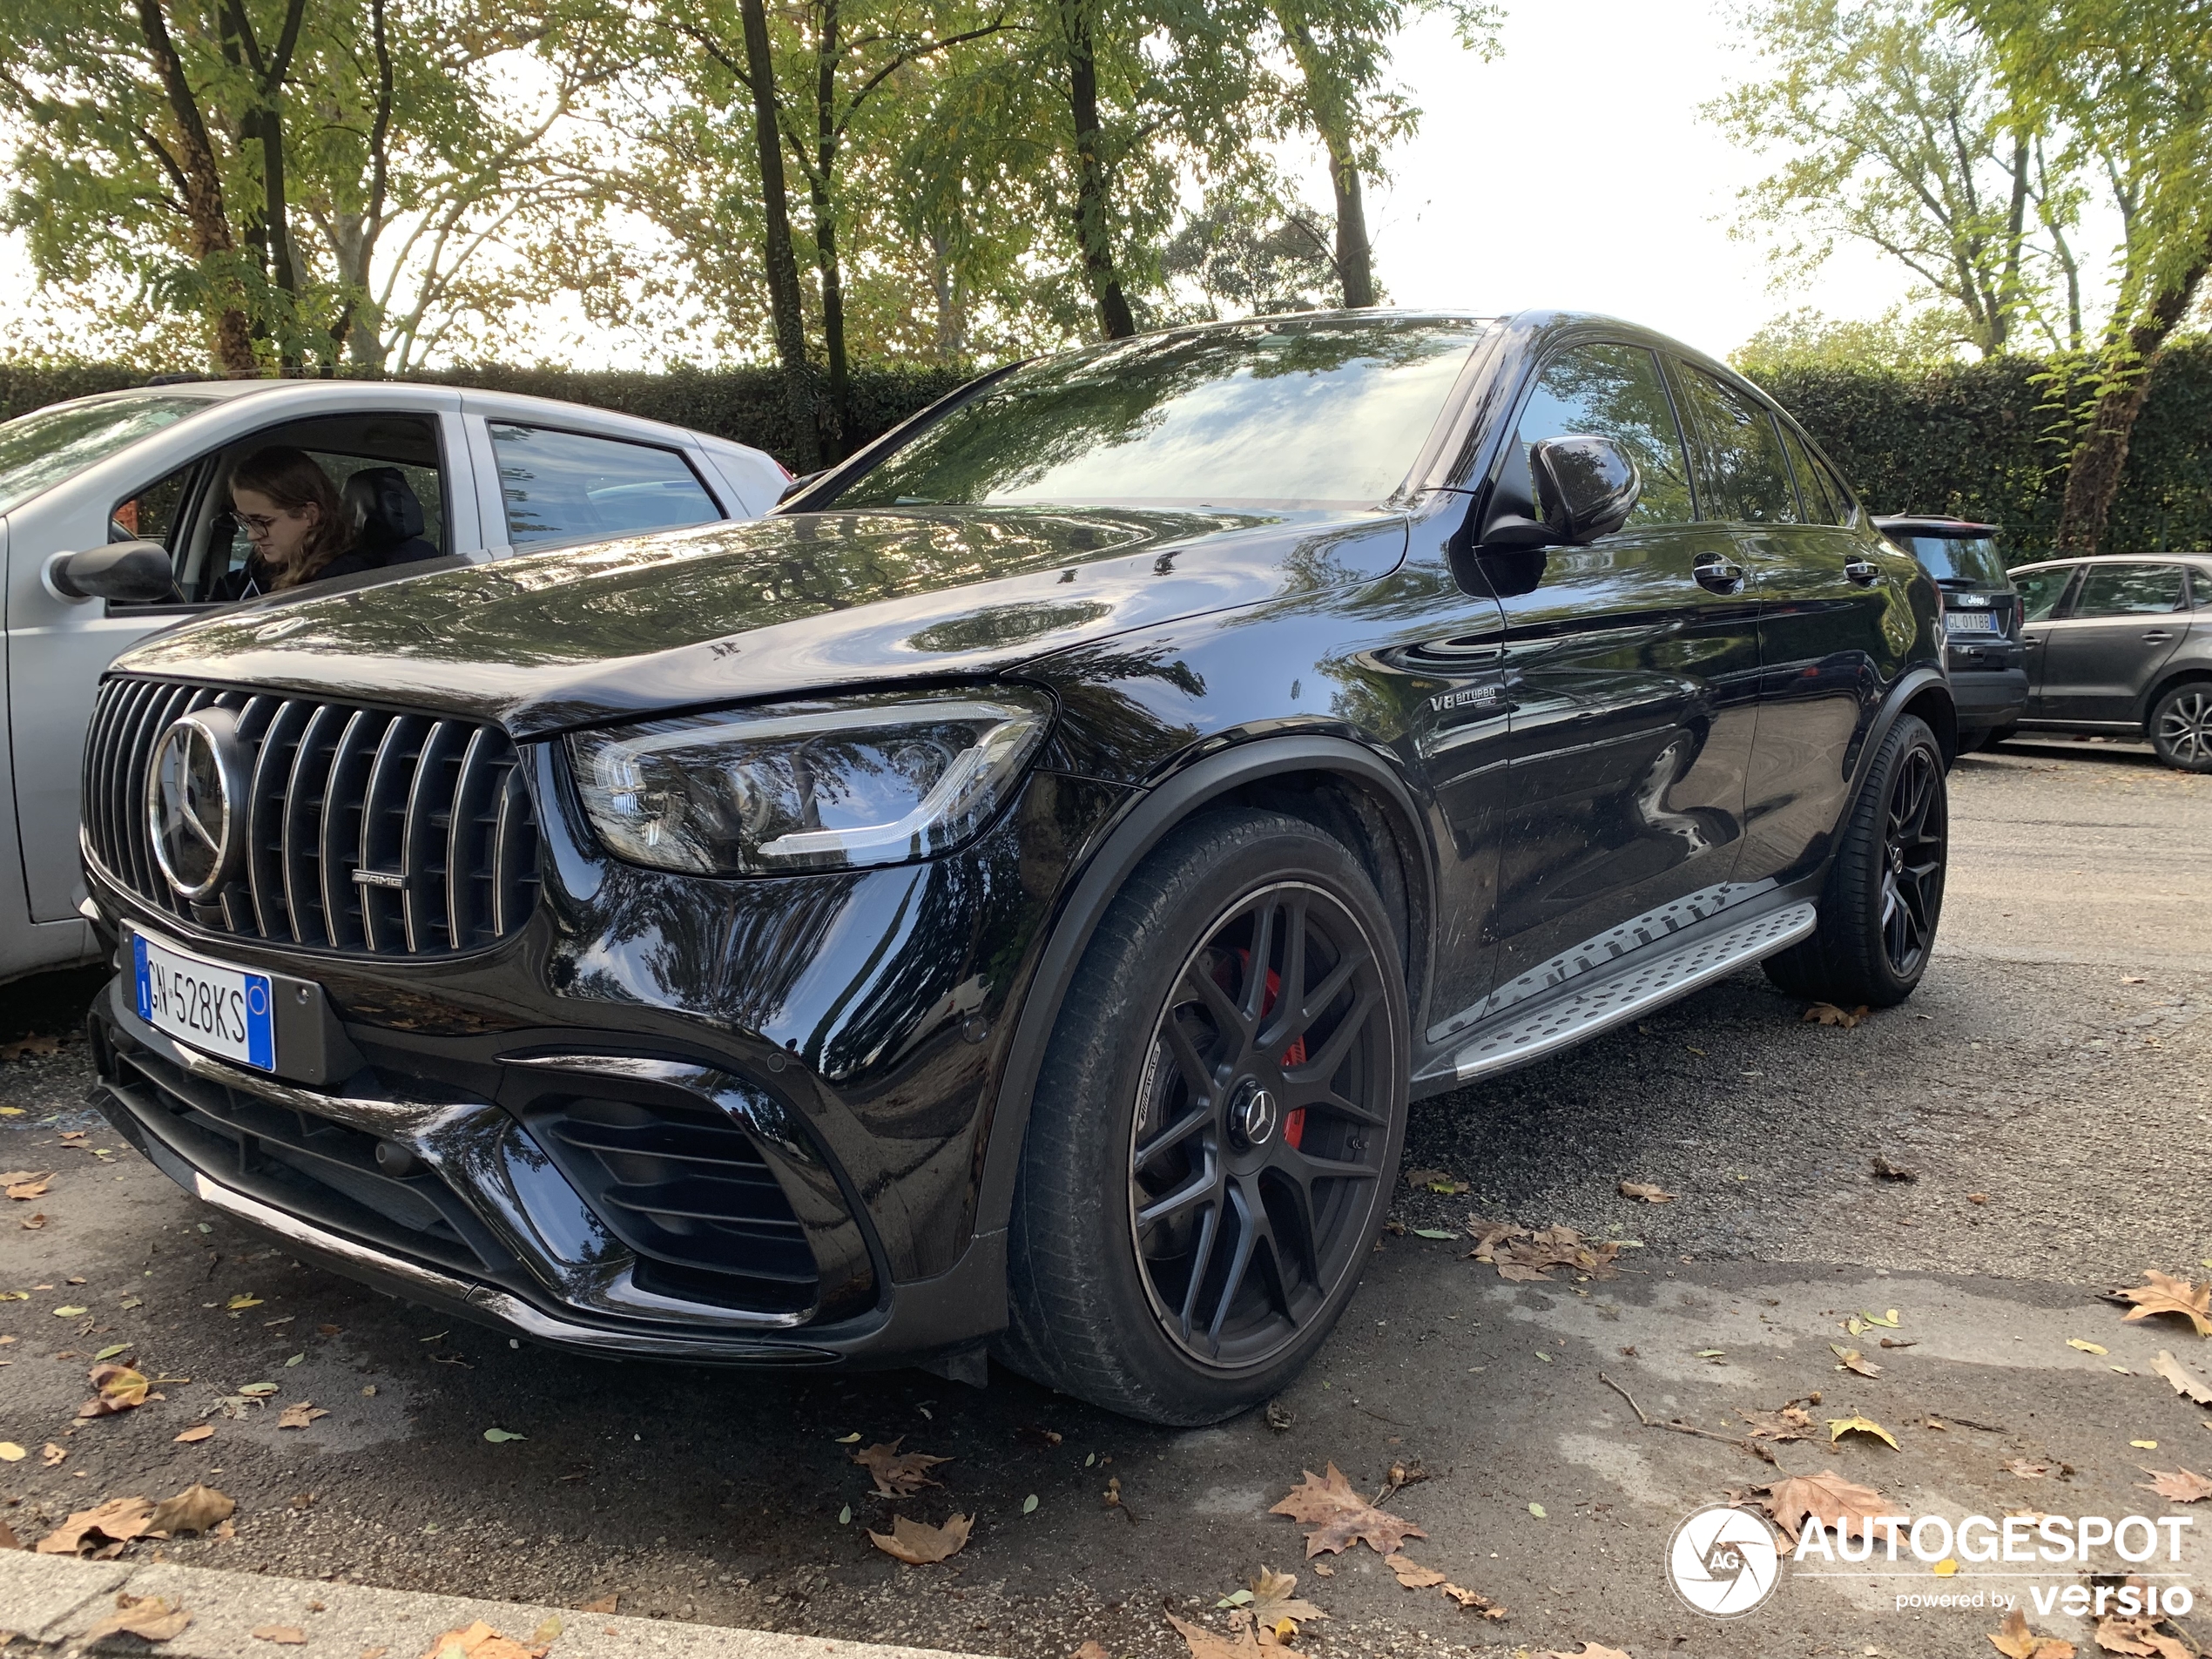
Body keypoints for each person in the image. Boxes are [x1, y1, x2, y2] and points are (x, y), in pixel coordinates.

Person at [212, 446, 438, 600]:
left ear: (308, 515)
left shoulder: (342, 584)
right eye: (245, 520)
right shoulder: (264, 564)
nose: (252, 535)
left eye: (262, 522)